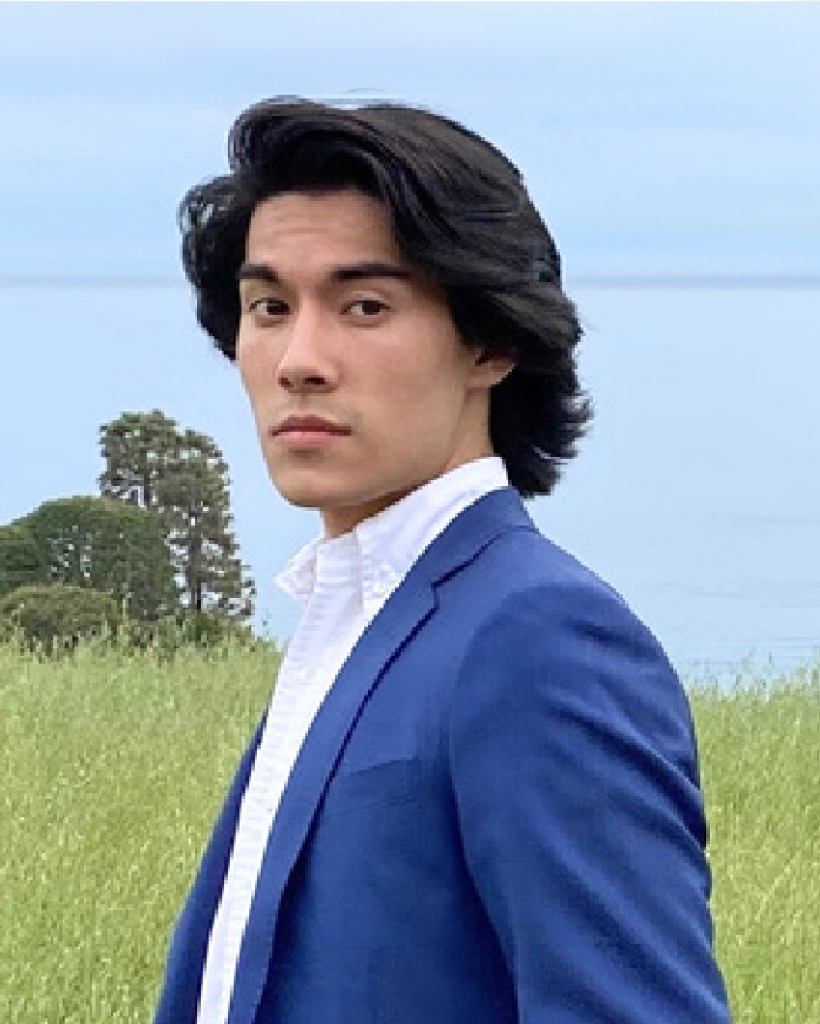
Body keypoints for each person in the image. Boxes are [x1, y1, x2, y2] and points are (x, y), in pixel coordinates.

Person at [152, 97, 731, 1024]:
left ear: (491, 342)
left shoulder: (538, 637)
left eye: (364, 306)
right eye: (270, 307)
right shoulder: (355, 614)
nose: (299, 359)